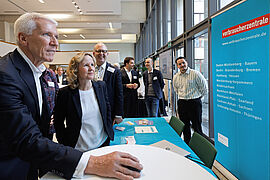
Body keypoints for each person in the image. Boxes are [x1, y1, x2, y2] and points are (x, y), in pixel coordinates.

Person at [0, 12, 142, 180]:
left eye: (56, 37)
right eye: (47, 35)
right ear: (23, 39)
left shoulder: (38, 74)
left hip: (33, 163)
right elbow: (27, 138)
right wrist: (92, 163)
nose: (55, 43)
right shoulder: (5, 75)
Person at [54, 52, 113, 151]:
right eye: (86, 65)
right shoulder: (65, 93)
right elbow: (58, 122)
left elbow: (107, 111)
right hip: (78, 149)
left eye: (92, 65)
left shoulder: (101, 86)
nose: (91, 68)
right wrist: (64, 144)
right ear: (76, 70)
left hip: (102, 144)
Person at [173, 57, 208, 144]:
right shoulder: (176, 77)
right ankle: (187, 145)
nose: (182, 65)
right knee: (185, 126)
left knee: (197, 126)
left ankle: (199, 146)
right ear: (177, 66)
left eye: (183, 63)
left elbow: (204, 88)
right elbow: (176, 89)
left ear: (187, 63)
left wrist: (198, 98)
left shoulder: (195, 74)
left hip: (194, 103)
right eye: (180, 64)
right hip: (182, 103)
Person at [93, 42, 124, 125]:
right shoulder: (89, 69)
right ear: (94, 53)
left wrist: (118, 114)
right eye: (98, 51)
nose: (101, 54)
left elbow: (119, 94)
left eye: (104, 51)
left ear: (107, 54)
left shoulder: (115, 72)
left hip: (109, 111)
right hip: (92, 110)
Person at [41, 64, 59, 140]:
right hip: (37, 118)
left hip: (50, 118)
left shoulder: (50, 74)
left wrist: (55, 113)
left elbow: (57, 92)